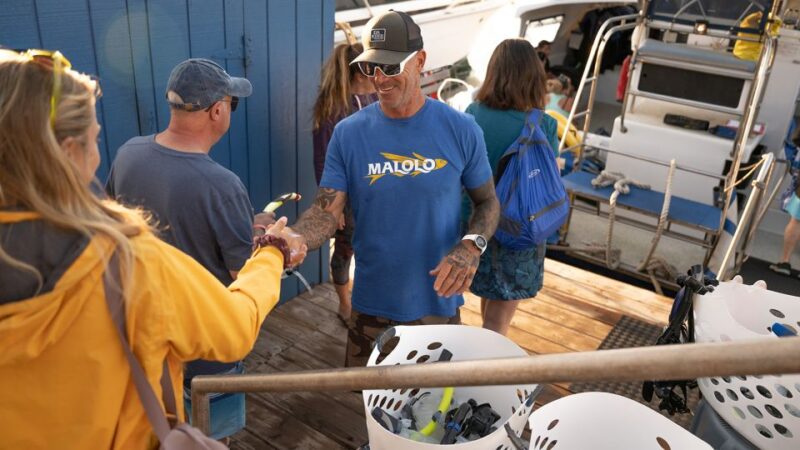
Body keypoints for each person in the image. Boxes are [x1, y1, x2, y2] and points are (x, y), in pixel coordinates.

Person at [0, 49, 305, 449]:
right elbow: (235, 321)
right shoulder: (132, 258)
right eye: (93, 139)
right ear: (68, 152)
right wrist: (271, 250)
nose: (96, 153)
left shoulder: (129, 153)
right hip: (194, 362)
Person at [291, 10, 500, 367]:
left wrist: (471, 245)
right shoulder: (348, 133)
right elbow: (326, 211)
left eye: (390, 68)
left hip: (438, 304)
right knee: (372, 410)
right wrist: (292, 239)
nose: (379, 80)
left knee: (435, 411)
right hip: (372, 307)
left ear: (420, 61)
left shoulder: (461, 129)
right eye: (372, 68)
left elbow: (488, 202)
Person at [105, 58, 271, 440]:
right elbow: (242, 275)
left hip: (146, 345)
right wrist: (270, 244)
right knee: (212, 438)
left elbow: (121, 225)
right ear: (217, 111)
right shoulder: (222, 185)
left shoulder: (129, 152)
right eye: (232, 103)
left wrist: (243, 227)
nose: (230, 110)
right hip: (205, 353)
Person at [464, 39, 560, 336]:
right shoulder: (543, 124)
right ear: (534, 75)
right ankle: (485, 377)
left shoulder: (472, 113)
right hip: (520, 228)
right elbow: (550, 177)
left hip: (477, 224)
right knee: (498, 323)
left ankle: (478, 362)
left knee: (487, 300)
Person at [312, 42, 377, 323]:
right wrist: (332, 207)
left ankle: (371, 295)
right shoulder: (332, 110)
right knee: (345, 249)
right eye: (374, 71)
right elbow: (322, 161)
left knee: (374, 245)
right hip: (348, 197)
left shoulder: (376, 100)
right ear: (361, 75)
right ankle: (344, 302)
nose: (380, 77)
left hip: (377, 191)